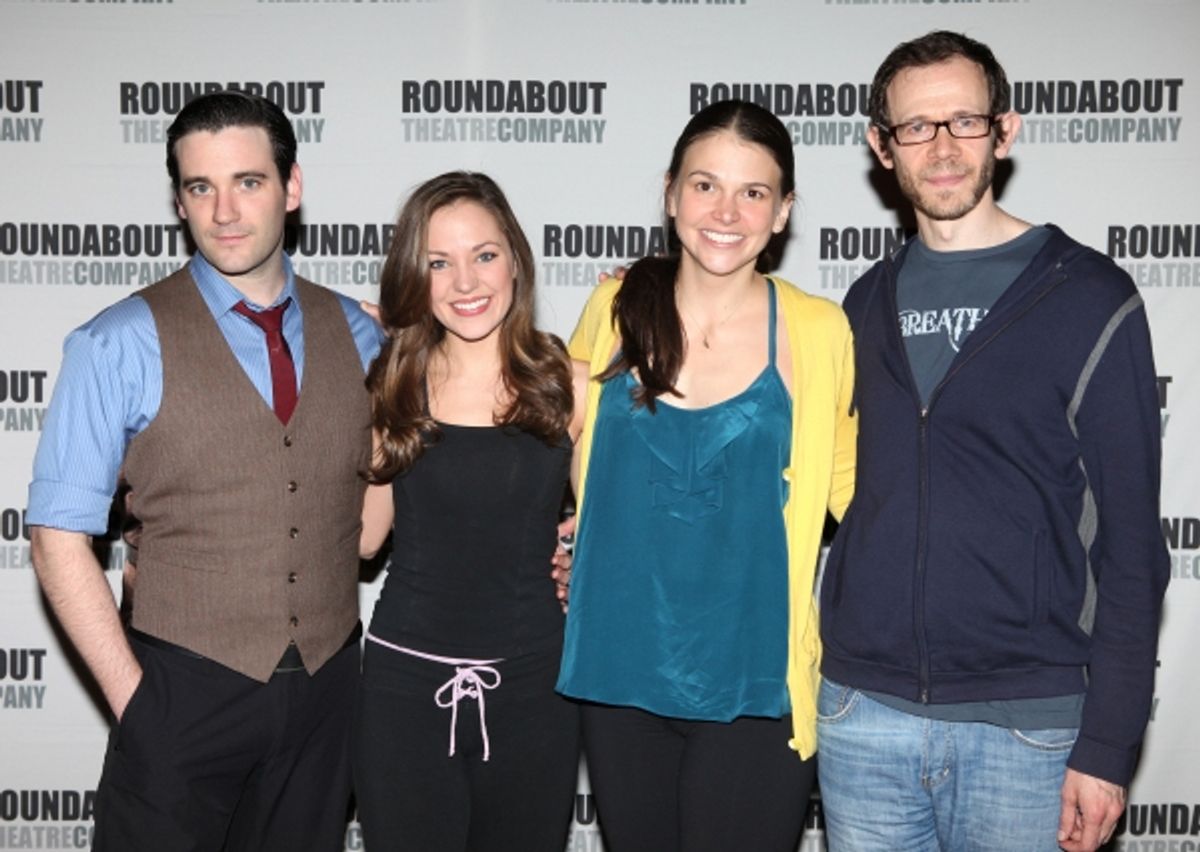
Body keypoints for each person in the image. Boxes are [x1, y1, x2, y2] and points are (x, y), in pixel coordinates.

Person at [816, 31, 1169, 852]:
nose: (942, 147)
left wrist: (1109, 744)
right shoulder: (860, 306)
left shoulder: (1089, 297)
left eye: (964, 121)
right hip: (862, 718)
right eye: (915, 127)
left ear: (1005, 131)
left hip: (1029, 734)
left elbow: (1132, 549)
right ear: (881, 146)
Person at [27, 91, 382, 851]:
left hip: (327, 697)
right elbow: (59, 538)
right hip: (181, 692)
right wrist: (137, 704)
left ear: (291, 188)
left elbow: (378, 522)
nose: (224, 210)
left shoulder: (359, 334)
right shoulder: (115, 343)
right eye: (199, 187)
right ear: (178, 201)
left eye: (248, 182)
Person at [557, 100, 857, 851]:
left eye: (754, 192)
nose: (726, 211)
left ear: (784, 211)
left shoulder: (820, 331)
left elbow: (861, 495)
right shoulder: (613, 305)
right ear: (670, 193)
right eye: (705, 185)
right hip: (620, 665)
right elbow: (543, 433)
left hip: (756, 678)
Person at [354, 171, 585, 851]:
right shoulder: (392, 382)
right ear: (414, 276)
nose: (465, 282)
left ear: (515, 258)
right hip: (403, 687)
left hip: (536, 689)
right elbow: (366, 541)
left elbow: (620, 522)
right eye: (438, 263)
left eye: (484, 255)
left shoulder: (569, 383)